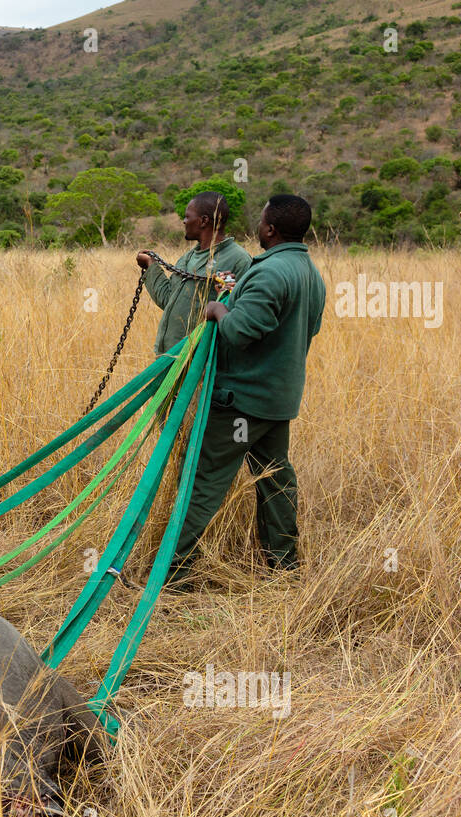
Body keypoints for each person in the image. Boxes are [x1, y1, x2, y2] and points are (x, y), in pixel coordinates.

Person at [164, 194, 326, 589]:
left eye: (262, 219)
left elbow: (238, 333)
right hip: (277, 402)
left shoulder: (270, 273)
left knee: (202, 479)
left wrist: (218, 310)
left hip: (240, 403)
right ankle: (283, 567)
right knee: (275, 479)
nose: (257, 224)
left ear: (270, 229)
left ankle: (172, 573)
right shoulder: (308, 270)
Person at [137, 191, 253, 357]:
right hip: (169, 356)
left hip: (199, 360)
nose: (184, 221)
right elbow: (168, 299)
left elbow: (242, 316)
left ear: (203, 221)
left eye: (187, 216)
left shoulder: (238, 260)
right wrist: (151, 266)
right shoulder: (188, 258)